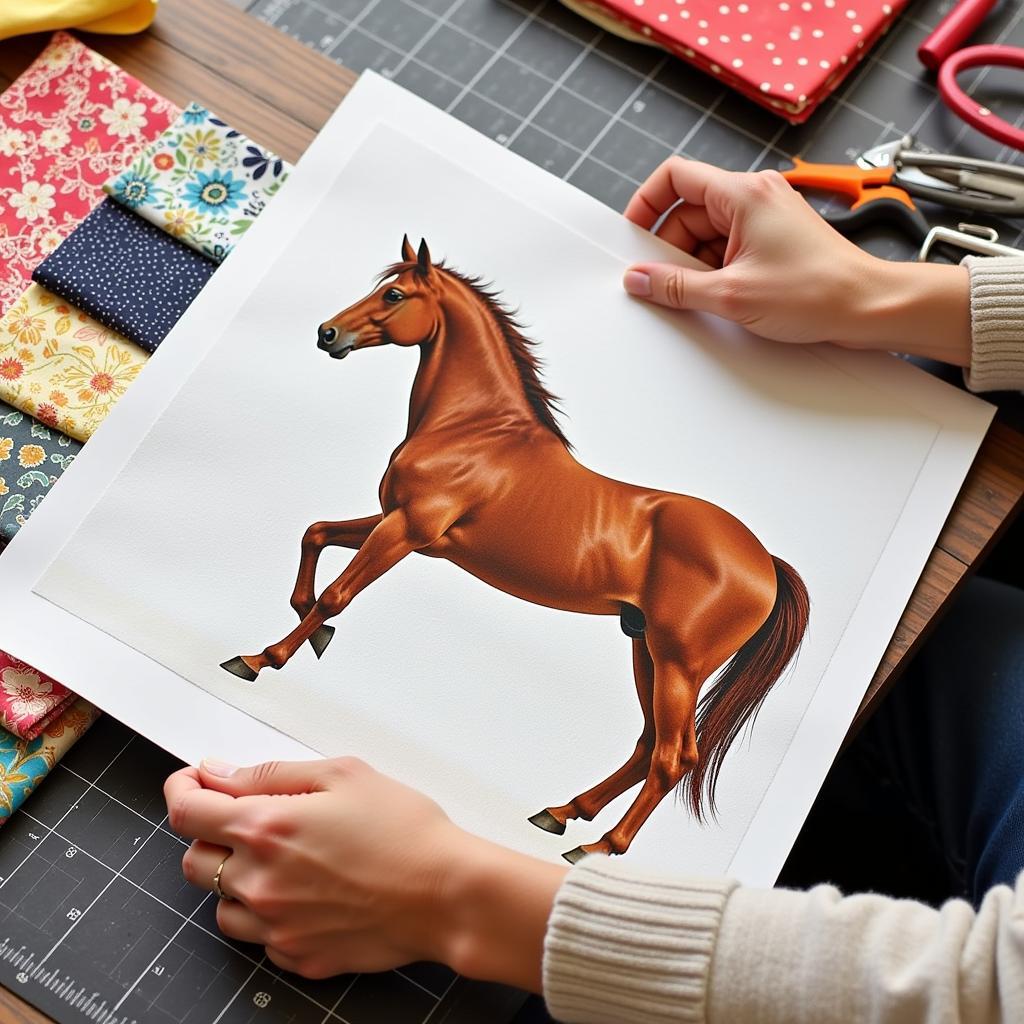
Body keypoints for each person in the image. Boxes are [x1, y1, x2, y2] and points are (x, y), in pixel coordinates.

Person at [163, 158, 1024, 1023]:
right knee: (952, 639)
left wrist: (457, 900)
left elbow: (984, 983)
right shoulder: (468, 435)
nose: (370, 316)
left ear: (430, 307)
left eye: (392, 302)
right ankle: (598, 801)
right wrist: (887, 296)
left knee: (670, 704)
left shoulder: (609, 508)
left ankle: (615, 822)